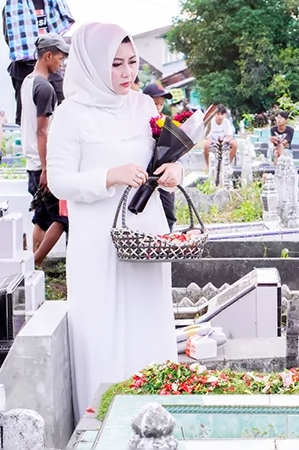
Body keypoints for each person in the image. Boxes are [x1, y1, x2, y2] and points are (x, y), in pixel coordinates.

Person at [47, 23, 180, 420]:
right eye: (116, 64)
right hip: (97, 237)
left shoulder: (142, 106)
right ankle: (101, 420)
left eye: (133, 63)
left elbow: (161, 159)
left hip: (145, 230)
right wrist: (110, 175)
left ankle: (155, 415)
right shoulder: (70, 114)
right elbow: (58, 182)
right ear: (90, 66)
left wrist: (174, 173)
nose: (127, 74)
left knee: (148, 314)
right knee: (102, 320)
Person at [21, 33, 69, 266]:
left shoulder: (28, 81)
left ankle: (31, 263)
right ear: (48, 55)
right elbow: (43, 131)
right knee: (62, 218)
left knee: (42, 218)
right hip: (43, 165)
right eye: (59, 58)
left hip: (33, 163)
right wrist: (48, 168)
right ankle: (34, 264)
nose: (61, 63)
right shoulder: (45, 88)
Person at [2, 0, 74, 124]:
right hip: (24, 67)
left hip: (50, 64)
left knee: (63, 108)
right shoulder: (12, 7)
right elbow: (11, 38)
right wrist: (28, 51)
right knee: (26, 116)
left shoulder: (52, 5)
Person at [142, 82, 176, 231]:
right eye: (155, 103)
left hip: (162, 175)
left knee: (168, 212)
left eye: (161, 104)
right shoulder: (138, 122)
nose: (158, 108)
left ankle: (168, 239)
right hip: (143, 176)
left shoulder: (166, 122)